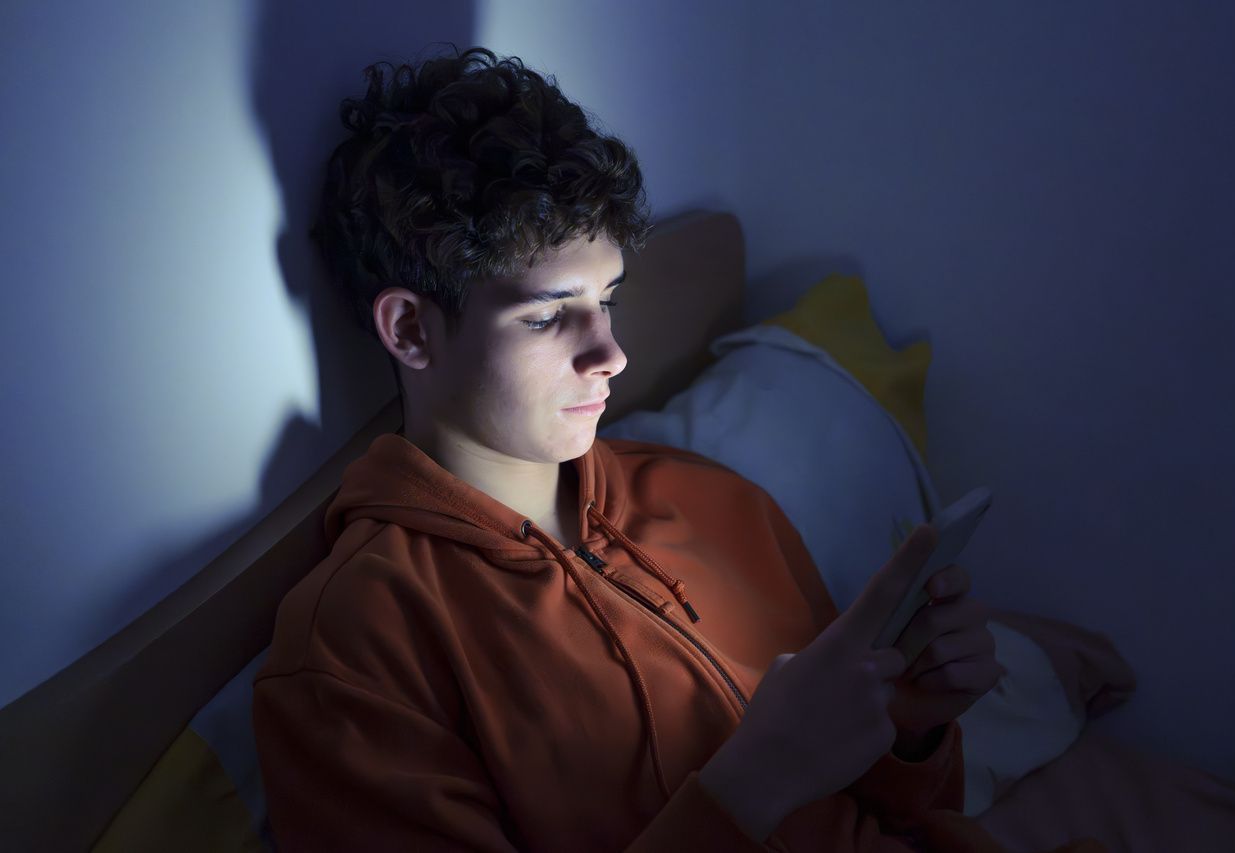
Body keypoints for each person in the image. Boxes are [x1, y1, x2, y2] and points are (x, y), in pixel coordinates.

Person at [252, 44, 1105, 853]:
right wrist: (756, 779)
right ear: (410, 329)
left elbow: (902, 810)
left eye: (607, 301)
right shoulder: (355, 647)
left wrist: (913, 726)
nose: (610, 353)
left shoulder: (709, 498)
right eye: (548, 317)